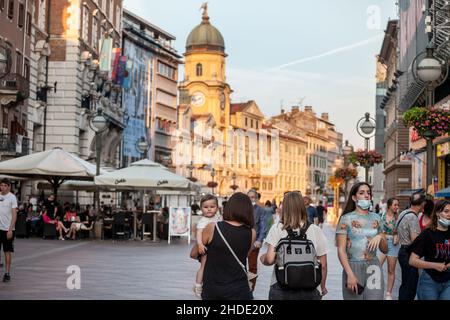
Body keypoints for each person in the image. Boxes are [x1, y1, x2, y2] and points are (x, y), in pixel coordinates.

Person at [260, 191, 328, 300]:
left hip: (281, 286)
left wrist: (262, 258)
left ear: (284, 207)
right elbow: (323, 265)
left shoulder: (277, 228)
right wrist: (322, 287)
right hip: (309, 287)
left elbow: (269, 259)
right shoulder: (316, 230)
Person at [190, 192, 255, 300]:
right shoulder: (251, 232)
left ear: (229, 208)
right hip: (240, 290)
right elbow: (245, 255)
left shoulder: (213, 227)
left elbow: (193, 254)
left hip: (214, 289)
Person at [336, 182, 388, 300]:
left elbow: (385, 249)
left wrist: (380, 236)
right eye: (361, 193)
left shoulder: (377, 218)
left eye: (368, 193)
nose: (366, 195)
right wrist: (349, 274)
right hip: (353, 267)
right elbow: (341, 250)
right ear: (354, 197)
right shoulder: (346, 219)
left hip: (373, 267)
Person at [409, 200, 450, 300]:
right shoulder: (427, 234)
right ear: (437, 213)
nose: (449, 214)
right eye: (446, 211)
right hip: (429, 282)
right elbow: (412, 261)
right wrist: (435, 265)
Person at [396, 192, 425, 300]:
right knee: (410, 286)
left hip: (402, 251)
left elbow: (396, 231)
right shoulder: (413, 217)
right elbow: (414, 240)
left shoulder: (403, 213)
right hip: (409, 253)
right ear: (422, 204)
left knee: (405, 283)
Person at [193, 194, 221, 298]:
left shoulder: (218, 218)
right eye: (206, 207)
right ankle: (198, 285)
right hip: (206, 248)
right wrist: (200, 244)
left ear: (217, 208)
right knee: (203, 266)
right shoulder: (203, 220)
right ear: (201, 208)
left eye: (212, 207)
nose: (209, 209)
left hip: (216, 247)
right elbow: (199, 233)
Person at [379, 197, 400, 300]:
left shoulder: (398, 218)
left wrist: (398, 236)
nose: (397, 207)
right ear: (389, 206)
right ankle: (376, 289)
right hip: (382, 243)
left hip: (393, 244)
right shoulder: (381, 216)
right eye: (395, 205)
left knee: (391, 270)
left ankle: (388, 293)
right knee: (377, 266)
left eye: (397, 205)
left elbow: (403, 231)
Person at [247, 189, 267, 291]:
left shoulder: (261, 210)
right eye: (249, 197)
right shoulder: (242, 209)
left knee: (252, 266)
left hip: (254, 242)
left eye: (253, 197)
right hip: (240, 241)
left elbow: (263, 227)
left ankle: (251, 288)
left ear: (257, 198)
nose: (251, 199)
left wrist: (259, 240)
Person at [0, 179, 18, 282]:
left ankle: (7, 273)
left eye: (4, 185)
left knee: (7, 251)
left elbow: (14, 215)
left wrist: (10, 229)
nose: (2, 187)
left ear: (9, 187)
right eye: (1, 185)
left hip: (8, 229)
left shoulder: (12, 197)